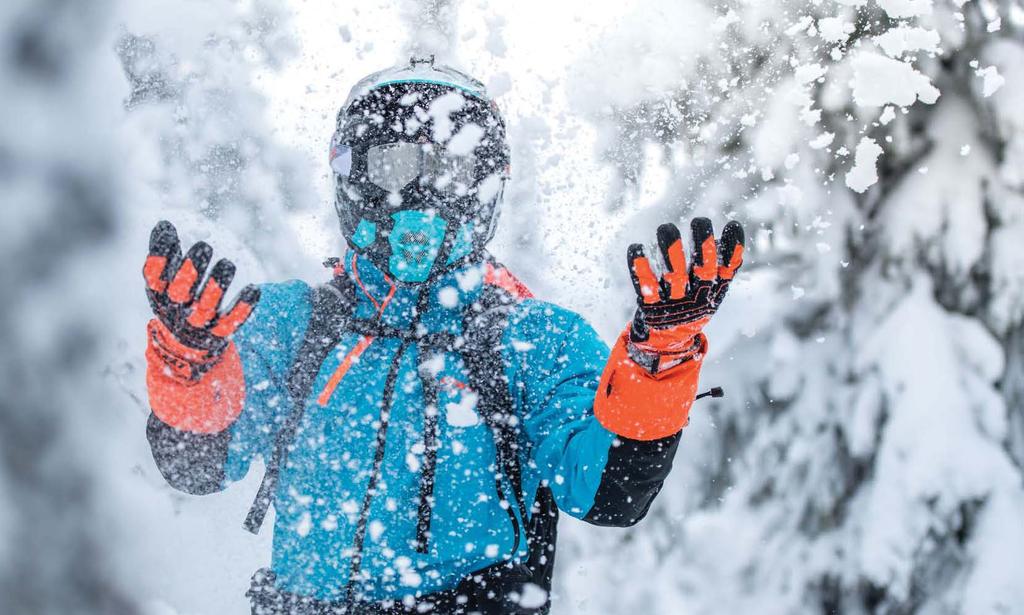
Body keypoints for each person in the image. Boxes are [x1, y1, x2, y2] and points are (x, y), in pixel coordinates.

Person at [142, 57, 744, 615]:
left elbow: (609, 492)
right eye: (395, 167)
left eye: (451, 170)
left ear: (485, 188)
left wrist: (655, 362)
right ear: (354, 177)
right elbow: (200, 466)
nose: (422, 198)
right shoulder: (292, 324)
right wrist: (187, 365)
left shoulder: (532, 340)